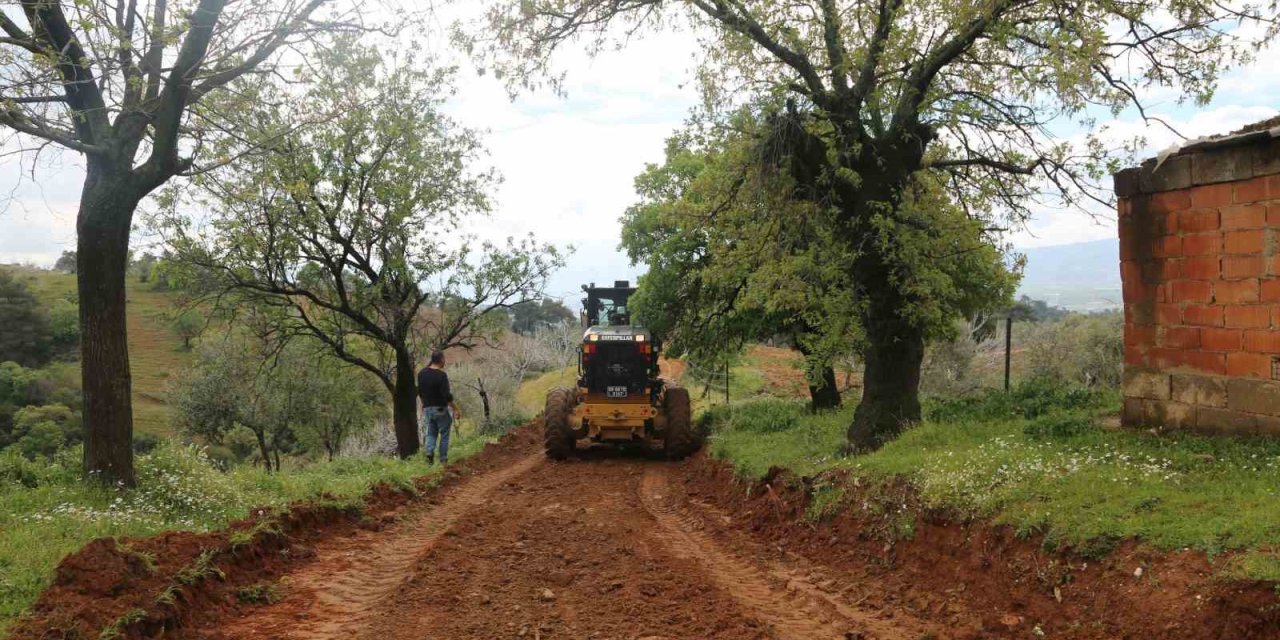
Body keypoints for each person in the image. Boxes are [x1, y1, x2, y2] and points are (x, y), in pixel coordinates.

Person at [417, 350, 461, 465]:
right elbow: (447, 395)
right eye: (444, 358)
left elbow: (420, 392)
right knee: (445, 434)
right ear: (441, 359)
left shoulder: (421, 373)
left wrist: (424, 405)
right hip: (440, 409)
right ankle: (443, 460)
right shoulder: (441, 375)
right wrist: (456, 408)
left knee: (431, 433)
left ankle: (429, 455)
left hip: (427, 409)